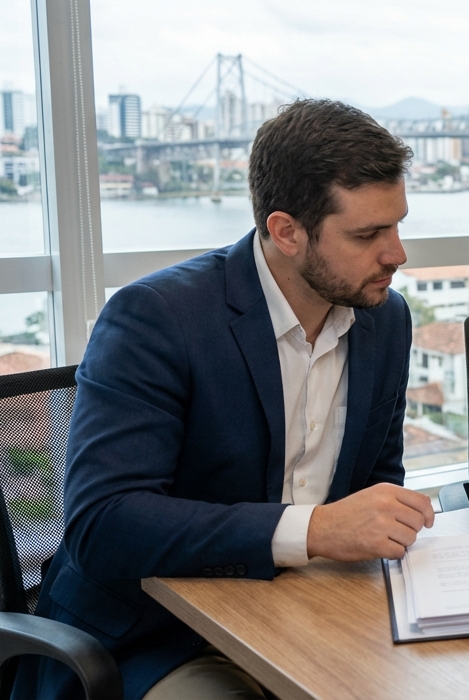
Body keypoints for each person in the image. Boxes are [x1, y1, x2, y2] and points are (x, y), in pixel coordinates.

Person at [16, 100, 435, 700]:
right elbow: (103, 524)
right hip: (155, 636)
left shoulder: (384, 318)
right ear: (285, 231)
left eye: (397, 225)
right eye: (368, 234)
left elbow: (375, 483)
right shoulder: (157, 318)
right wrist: (312, 531)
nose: (397, 254)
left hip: (311, 610)